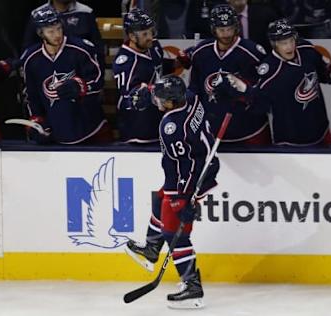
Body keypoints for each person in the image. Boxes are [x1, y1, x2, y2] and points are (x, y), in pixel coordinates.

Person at [124, 75, 220, 309]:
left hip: (188, 179)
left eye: (161, 99)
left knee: (175, 234)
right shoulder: (191, 98)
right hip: (198, 166)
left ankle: (192, 286)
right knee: (159, 200)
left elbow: (184, 168)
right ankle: (152, 249)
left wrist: (184, 199)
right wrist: (149, 91)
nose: (157, 101)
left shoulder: (173, 127)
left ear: (171, 103)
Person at [214, 18, 331, 146]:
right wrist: (243, 91)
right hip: (290, 140)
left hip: (321, 131)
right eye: (284, 43)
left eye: (291, 40)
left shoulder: (307, 50)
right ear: (274, 44)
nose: (290, 46)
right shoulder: (269, 70)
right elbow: (260, 104)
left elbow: (323, 72)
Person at [20, 5, 110, 145]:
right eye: (50, 31)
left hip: (90, 128)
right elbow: (32, 95)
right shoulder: (31, 59)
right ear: (40, 33)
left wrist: (81, 86)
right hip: (57, 131)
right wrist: (36, 121)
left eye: (59, 29)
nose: (57, 35)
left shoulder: (82, 49)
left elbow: (98, 80)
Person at [189, 4, 270, 145]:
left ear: (236, 27)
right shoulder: (201, 52)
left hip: (250, 131)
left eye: (230, 29)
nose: (226, 34)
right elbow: (194, 89)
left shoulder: (253, 53)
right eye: (221, 30)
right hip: (212, 130)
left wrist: (243, 92)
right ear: (213, 29)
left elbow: (265, 95)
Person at [112, 8, 166, 144]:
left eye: (151, 32)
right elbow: (128, 98)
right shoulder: (125, 63)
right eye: (144, 34)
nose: (150, 37)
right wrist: (141, 94)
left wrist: (179, 62)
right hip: (137, 129)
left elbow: (156, 67)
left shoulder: (154, 47)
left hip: (158, 122)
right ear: (131, 36)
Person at [23, 0, 104, 69]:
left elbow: (97, 47)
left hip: (80, 69)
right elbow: (28, 47)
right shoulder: (37, 15)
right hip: (47, 69)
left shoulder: (85, 12)